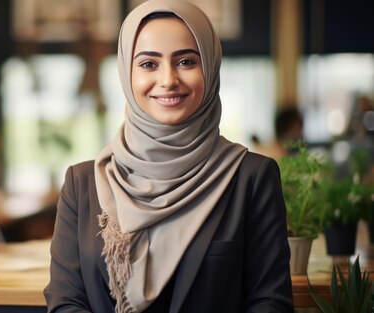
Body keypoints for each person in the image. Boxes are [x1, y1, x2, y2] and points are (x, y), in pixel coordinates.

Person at [43, 1, 294, 312]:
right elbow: (66, 302)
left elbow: (270, 302)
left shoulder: (251, 178)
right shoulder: (82, 185)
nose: (168, 80)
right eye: (149, 64)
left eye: (186, 61)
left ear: (211, 66)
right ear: (126, 73)